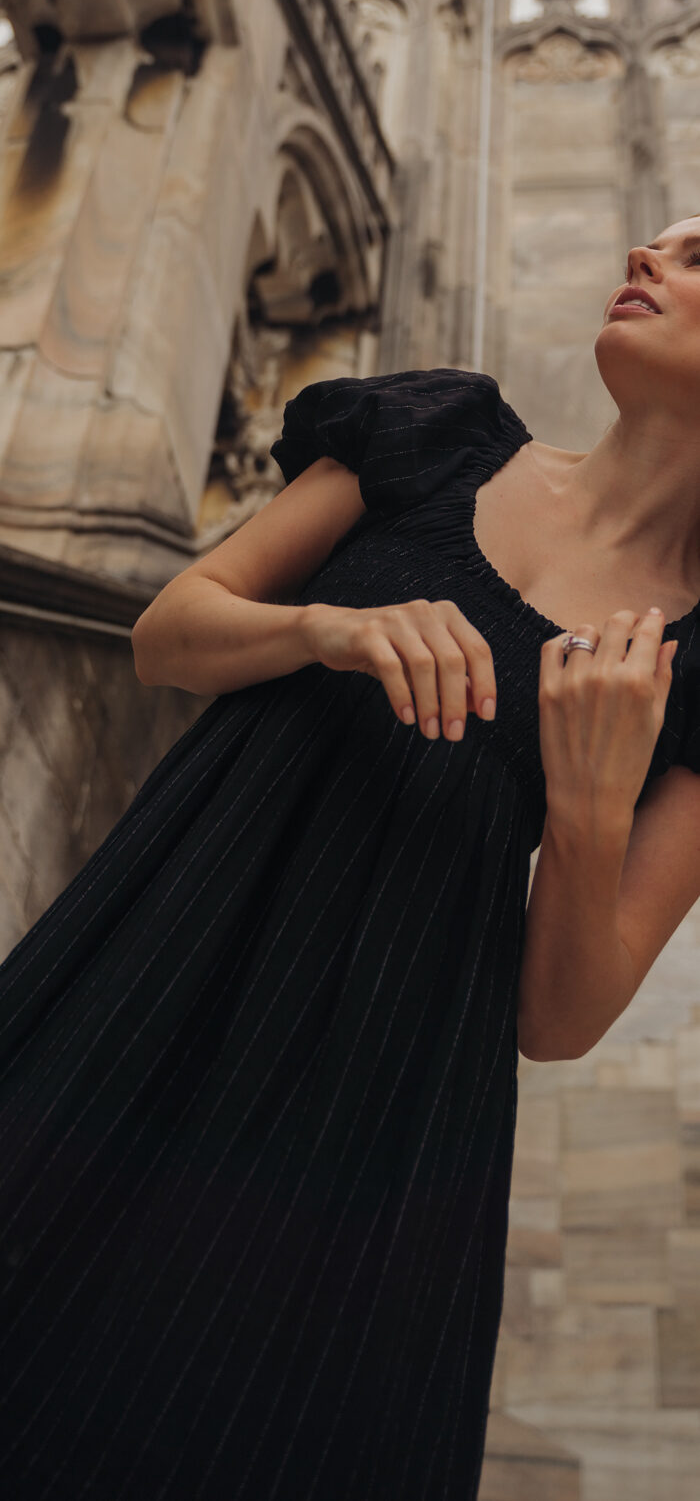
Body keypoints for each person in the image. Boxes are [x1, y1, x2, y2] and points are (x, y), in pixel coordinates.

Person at [2, 218, 700, 1501]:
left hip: (383, 1111)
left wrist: (592, 806)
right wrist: (325, 626)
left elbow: (557, 1019)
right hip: (158, 969)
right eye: (657, 239)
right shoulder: (439, 435)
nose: (652, 256)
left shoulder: (698, 669)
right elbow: (167, 634)